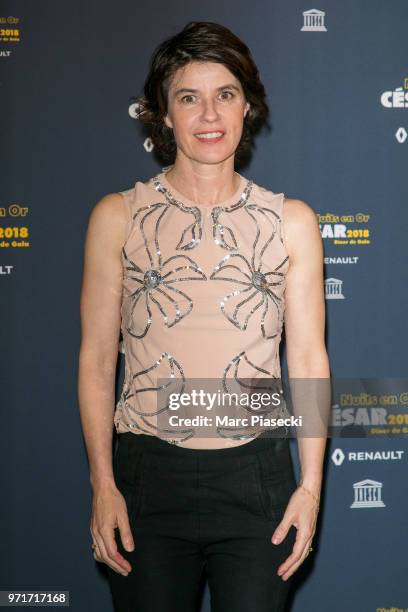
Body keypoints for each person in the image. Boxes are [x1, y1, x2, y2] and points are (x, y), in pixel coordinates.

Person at [78, 20, 330, 612]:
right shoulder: (118, 217)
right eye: (188, 98)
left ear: (248, 107)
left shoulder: (290, 221)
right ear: (163, 115)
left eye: (226, 95)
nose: (209, 115)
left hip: (258, 481)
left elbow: (310, 358)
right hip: (146, 480)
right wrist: (104, 484)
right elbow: (95, 360)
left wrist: (311, 488)